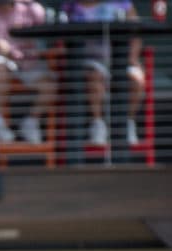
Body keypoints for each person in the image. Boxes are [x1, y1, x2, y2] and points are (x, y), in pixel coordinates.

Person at [0, 0, 55, 145]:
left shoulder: (28, 7)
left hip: (27, 61)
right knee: (0, 68)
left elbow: (44, 24)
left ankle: (31, 122)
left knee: (51, 86)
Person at [61, 0, 145, 146]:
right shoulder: (71, 5)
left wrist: (132, 57)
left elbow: (136, 32)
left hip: (120, 58)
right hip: (87, 59)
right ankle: (98, 124)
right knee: (94, 78)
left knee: (136, 81)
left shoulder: (123, 4)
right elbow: (61, 34)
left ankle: (126, 123)